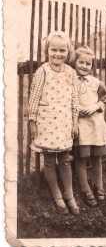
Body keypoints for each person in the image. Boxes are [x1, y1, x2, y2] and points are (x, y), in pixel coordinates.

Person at [28, 31, 79, 216]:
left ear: (69, 52)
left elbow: (74, 100)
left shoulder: (71, 73)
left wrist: (74, 122)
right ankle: (57, 196)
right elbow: (33, 97)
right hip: (47, 121)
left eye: (62, 50)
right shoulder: (42, 71)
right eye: (54, 50)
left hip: (65, 122)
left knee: (65, 160)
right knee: (49, 161)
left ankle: (69, 195)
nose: (58, 54)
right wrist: (32, 120)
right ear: (47, 50)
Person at [71, 46, 106, 207]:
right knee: (81, 158)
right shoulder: (69, 81)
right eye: (81, 62)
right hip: (80, 125)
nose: (84, 66)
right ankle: (85, 188)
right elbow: (66, 100)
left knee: (97, 157)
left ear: (92, 66)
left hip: (95, 124)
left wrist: (96, 107)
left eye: (88, 64)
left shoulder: (96, 83)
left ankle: (99, 185)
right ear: (75, 62)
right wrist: (78, 109)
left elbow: (105, 98)